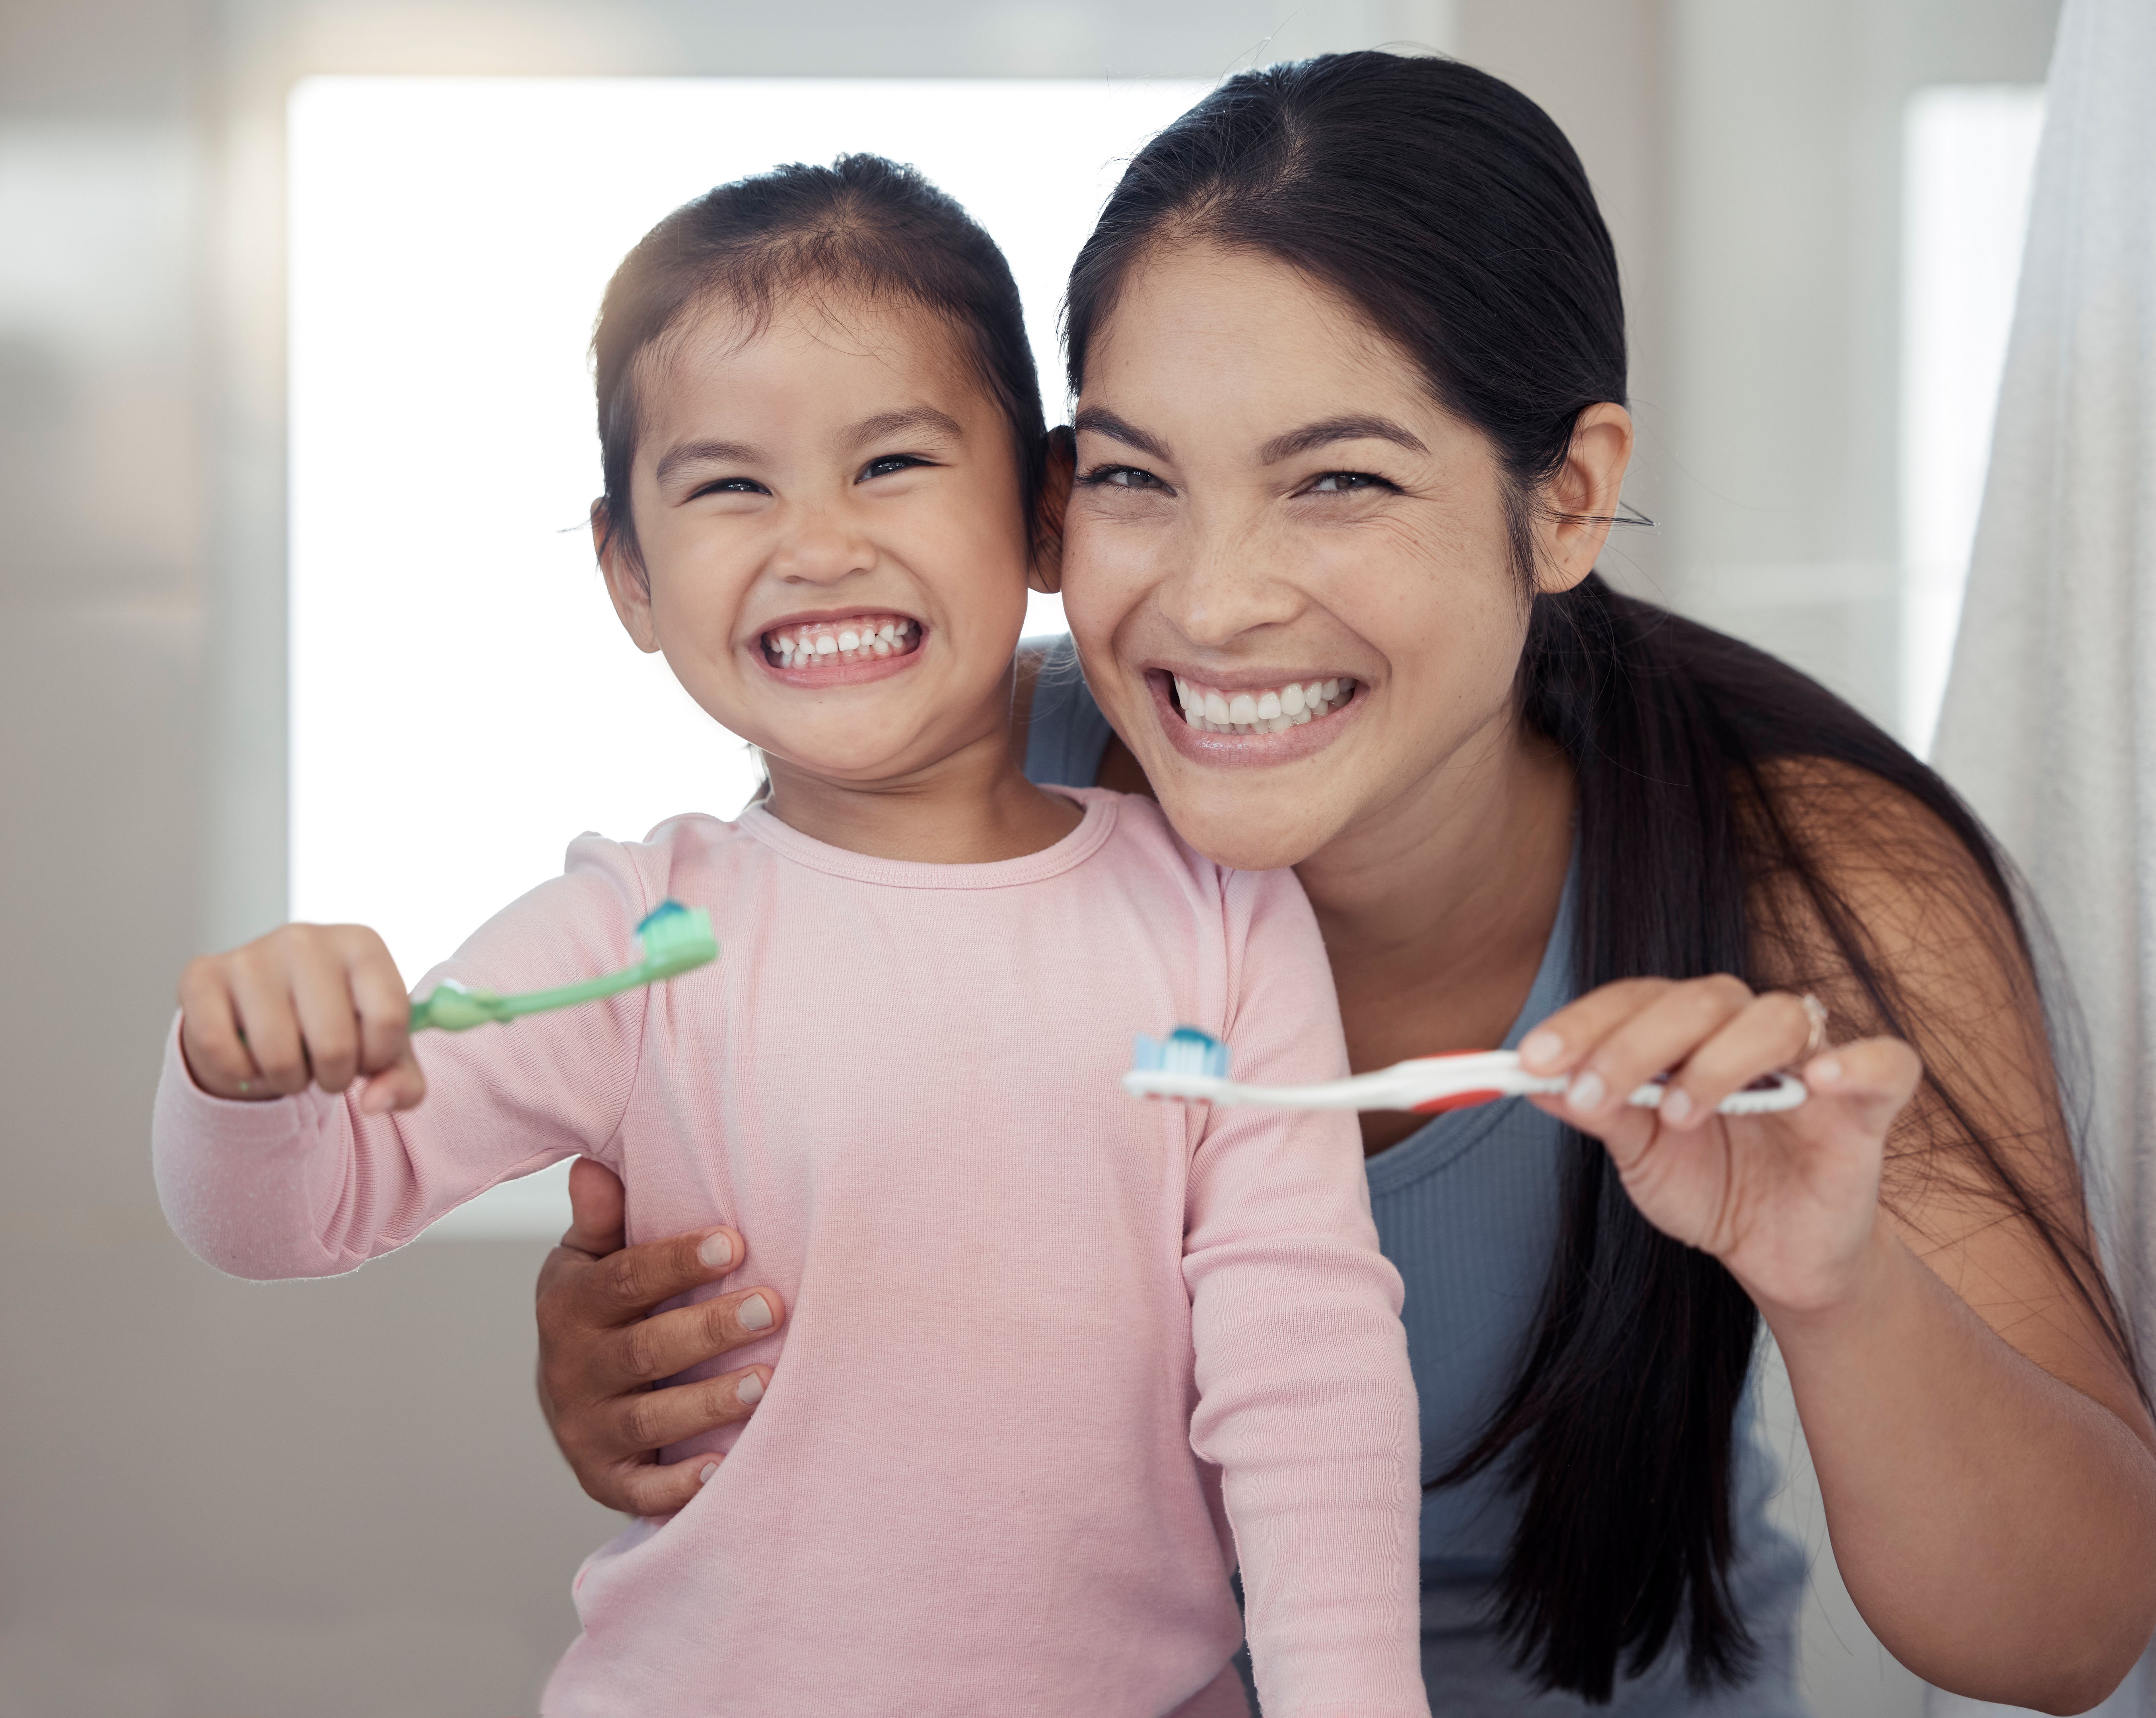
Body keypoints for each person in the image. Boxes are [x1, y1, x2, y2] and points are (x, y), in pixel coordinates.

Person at [535, 54, 2156, 1716]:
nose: (1215, 604)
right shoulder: (954, 791)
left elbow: (2063, 1642)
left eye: (1340, 481)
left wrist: (1839, 1285)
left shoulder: (1817, 879)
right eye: (1135, 478)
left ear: (1570, 497)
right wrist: (641, 1367)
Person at [153, 156, 1429, 1716]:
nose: (818, 543)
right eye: (729, 487)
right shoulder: (632, 941)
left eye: (890, 463)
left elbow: (1303, 1356)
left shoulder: (1220, 913)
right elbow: (293, 1215)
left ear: (1043, 511)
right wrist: (245, 1076)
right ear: (629, 576)